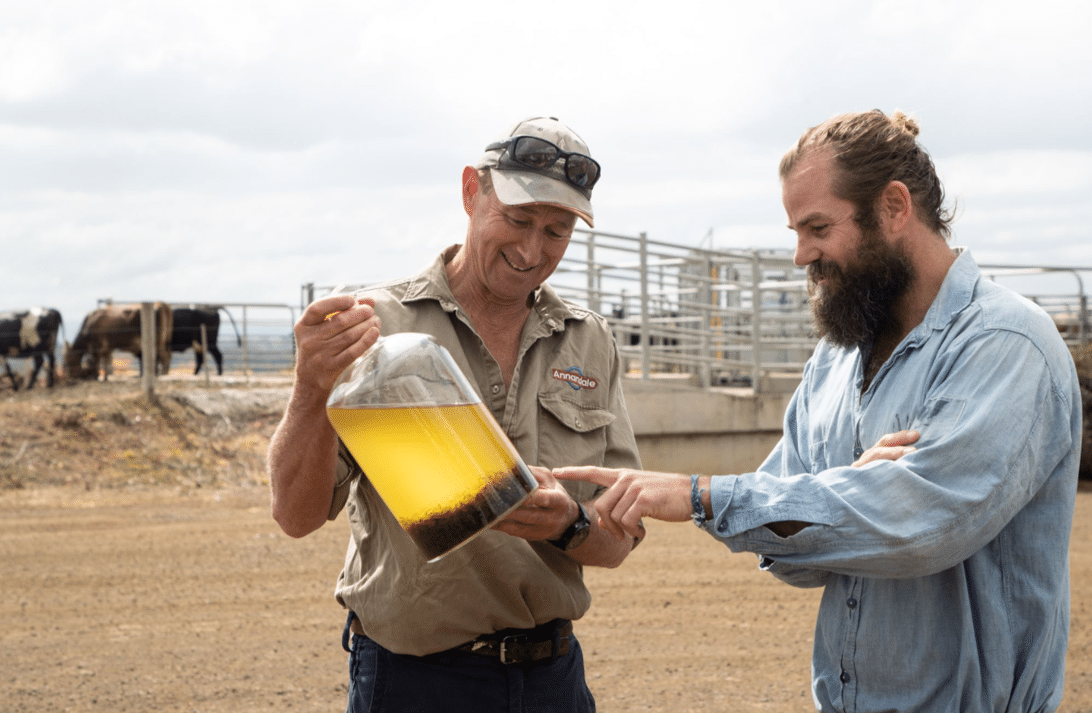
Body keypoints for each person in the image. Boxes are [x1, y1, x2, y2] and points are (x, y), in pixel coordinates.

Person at [555, 110, 1081, 712]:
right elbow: (794, 558)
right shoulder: (835, 358)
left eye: (817, 227)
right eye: (795, 232)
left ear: (893, 207)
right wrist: (856, 494)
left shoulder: (1006, 344)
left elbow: (925, 527)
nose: (802, 255)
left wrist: (706, 495)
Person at [267, 116, 643, 712]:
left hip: (552, 680)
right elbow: (296, 514)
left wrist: (566, 523)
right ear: (472, 191)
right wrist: (311, 389)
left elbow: (618, 540)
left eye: (557, 230)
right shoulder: (375, 325)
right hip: (412, 683)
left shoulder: (588, 342)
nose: (531, 250)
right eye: (518, 220)